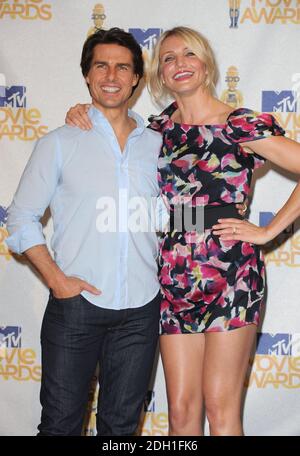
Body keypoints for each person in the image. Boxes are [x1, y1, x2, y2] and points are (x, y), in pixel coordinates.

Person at [66, 26, 300, 437]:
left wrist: (269, 231)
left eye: (189, 54)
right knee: (181, 413)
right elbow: (110, 131)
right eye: (169, 58)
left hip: (231, 275)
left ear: (206, 63)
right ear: (159, 74)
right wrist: (82, 112)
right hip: (173, 278)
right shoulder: (155, 130)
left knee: (221, 409)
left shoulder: (239, 125)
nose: (180, 64)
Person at [6, 28, 163, 436]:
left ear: (135, 79)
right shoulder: (59, 142)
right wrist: (57, 280)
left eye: (122, 66)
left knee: (121, 429)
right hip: (75, 307)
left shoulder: (159, 145)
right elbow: (20, 217)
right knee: (59, 425)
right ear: (88, 76)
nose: (111, 74)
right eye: (101, 65)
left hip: (142, 309)